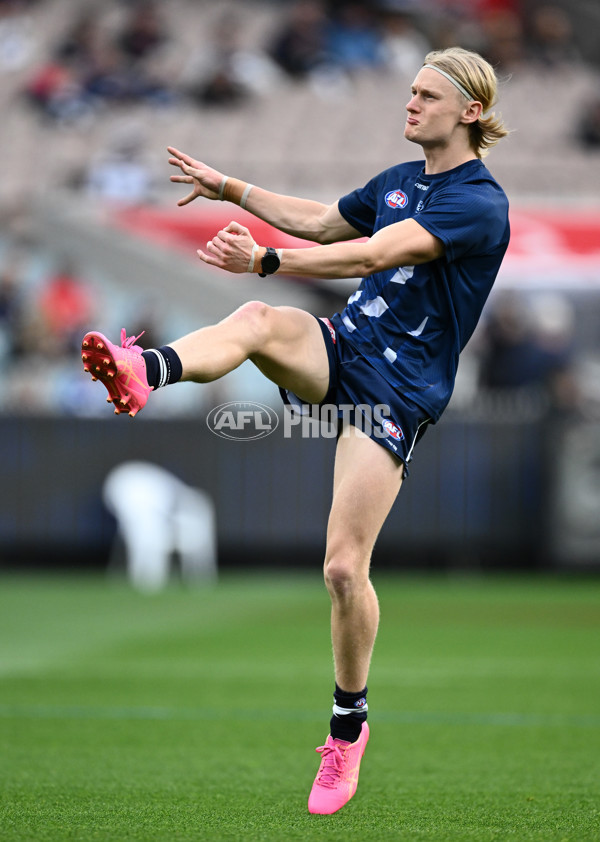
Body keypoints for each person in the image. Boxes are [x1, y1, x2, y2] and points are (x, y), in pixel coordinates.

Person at [81, 47, 510, 815]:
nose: (409, 105)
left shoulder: (478, 202)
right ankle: (145, 369)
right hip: (344, 347)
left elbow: (379, 250)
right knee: (255, 323)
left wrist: (269, 258)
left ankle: (348, 729)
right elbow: (324, 219)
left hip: (400, 391)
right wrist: (228, 189)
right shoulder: (398, 180)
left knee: (344, 570)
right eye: (408, 92)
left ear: (470, 111)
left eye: (425, 95)